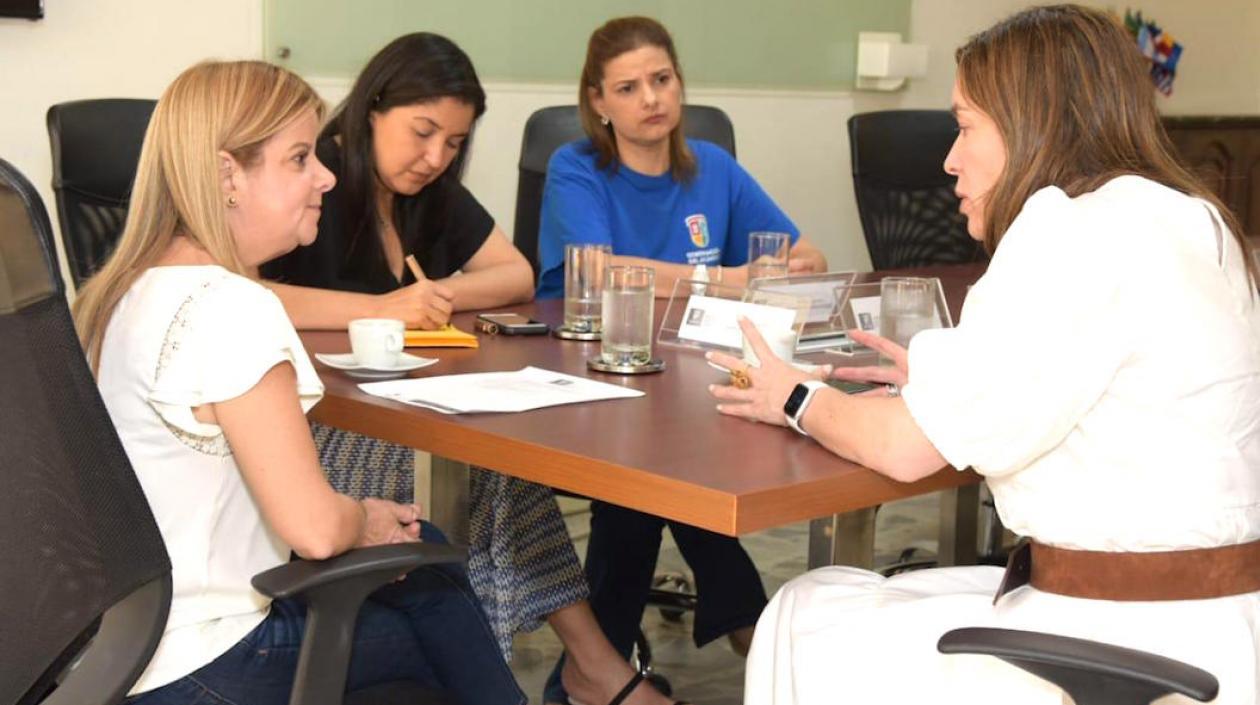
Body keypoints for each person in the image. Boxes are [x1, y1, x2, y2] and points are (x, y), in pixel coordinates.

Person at [708, 6, 1260, 704]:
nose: (949, 158)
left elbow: (907, 449)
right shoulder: (1193, 218)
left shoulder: (1066, 228)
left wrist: (792, 396)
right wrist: (947, 374)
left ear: (1036, 120)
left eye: (965, 126)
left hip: (1120, 642)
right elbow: (1104, 380)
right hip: (1227, 633)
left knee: (802, 611)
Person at [72, 60, 524, 704]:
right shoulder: (233, 306)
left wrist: (362, 521)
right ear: (229, 175)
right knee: (436, 608)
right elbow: (313, 531)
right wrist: (362, 517)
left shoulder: (117, 294)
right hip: (210, 656)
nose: (327, 177)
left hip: (121, 654)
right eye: (300, 158)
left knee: (423, 557)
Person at [261, 33, 677, 705]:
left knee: (489, 456)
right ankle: (589, 667)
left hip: (404, 417)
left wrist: (436, 296)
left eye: (454, 143)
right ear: (373, 107)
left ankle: (574, 668)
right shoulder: (320, 179)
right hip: (314, 436)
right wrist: (381, 306)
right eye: (423, 133)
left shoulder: (426, 193)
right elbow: (248, 291)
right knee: (490, 468)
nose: (435, 158)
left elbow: (512, 273)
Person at [537, 16, 828, 703]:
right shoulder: (576, 167)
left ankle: (597, 665)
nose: (651, 99)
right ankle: (743, 619)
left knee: (658, 471)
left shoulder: (713, 167)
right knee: (647, 469)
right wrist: (725, 278)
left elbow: (804, 256)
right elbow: (603, 272)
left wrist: (753, 272)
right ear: (598, 101)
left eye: (662, 79)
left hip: (688, 369)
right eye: (629, 87)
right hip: (586, 372)